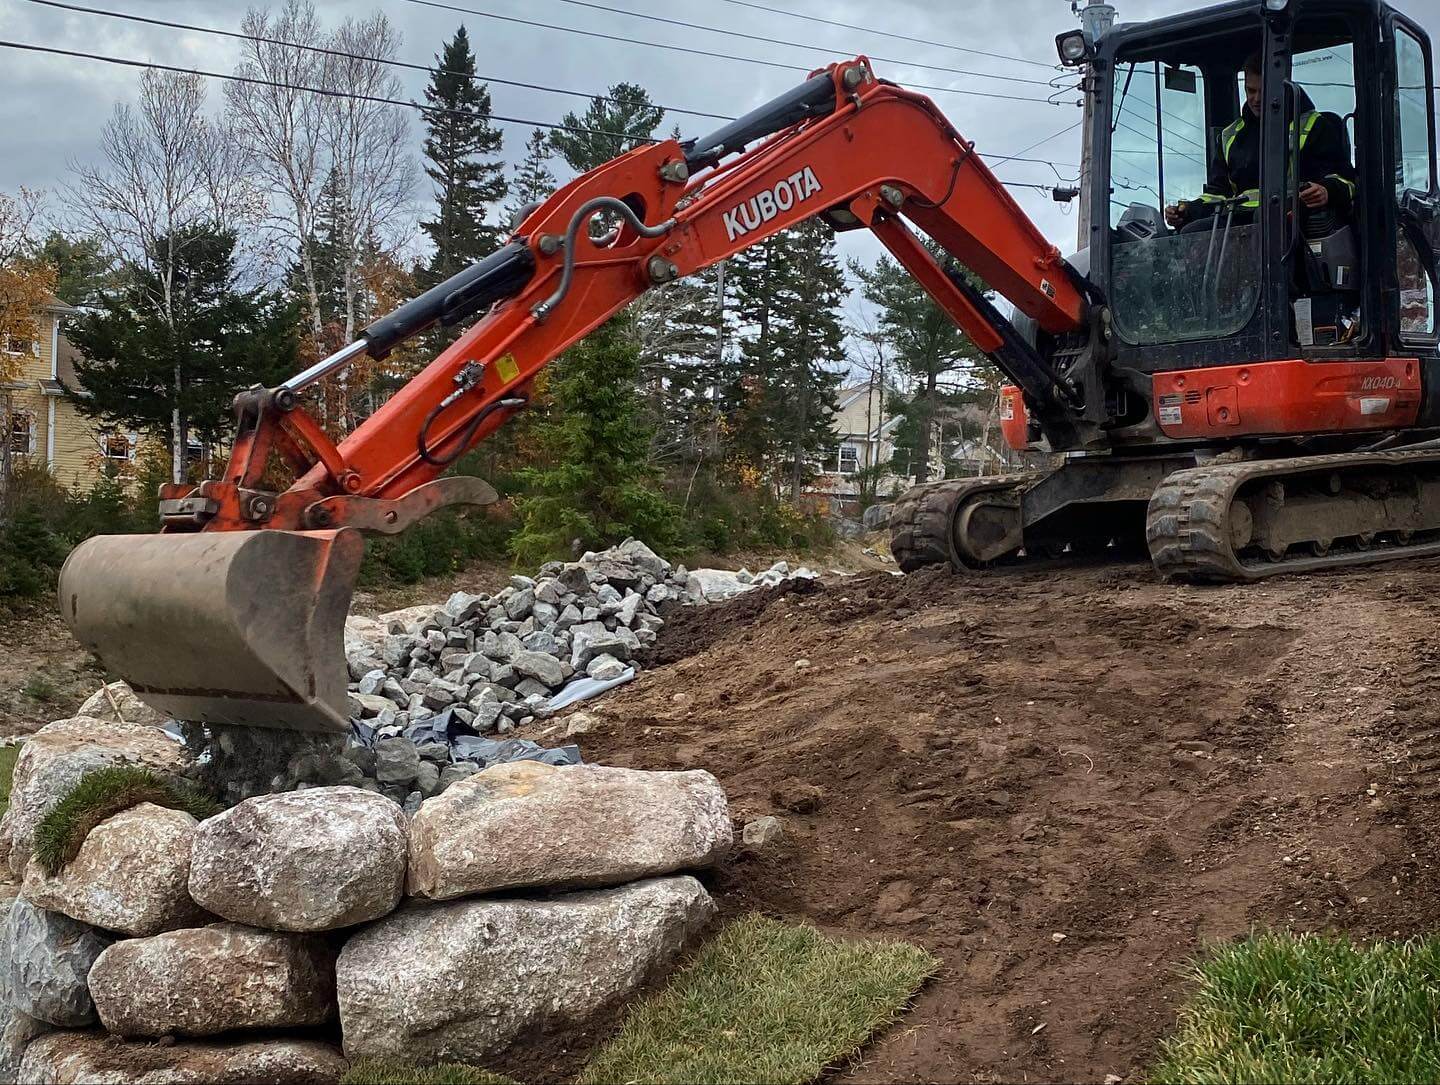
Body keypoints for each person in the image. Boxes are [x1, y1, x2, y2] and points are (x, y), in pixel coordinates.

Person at [1165, 52, 1357, 232]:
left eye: (1263, 91)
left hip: (1296, 225)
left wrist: (1327, 191)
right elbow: (1218, 193)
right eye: (1250, 90)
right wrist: (1187, 211)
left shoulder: (1315, 126)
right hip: (1240, 222)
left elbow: (1345, 180)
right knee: (1192, 231)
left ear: (1283, 87)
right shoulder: (1230, 136)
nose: (1256, 99)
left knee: (1266, 221)